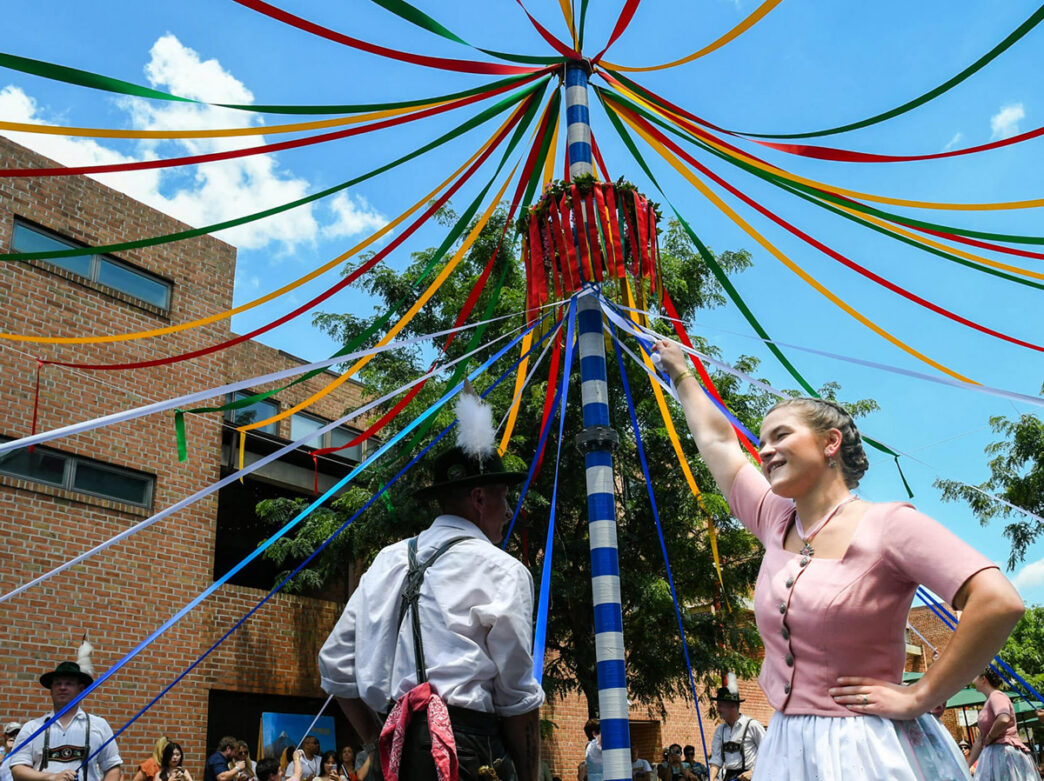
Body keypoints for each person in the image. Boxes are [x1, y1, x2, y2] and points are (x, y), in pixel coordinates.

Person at [653, 340, 1026, 781]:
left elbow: (999, 601)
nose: (765, 450)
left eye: (781, 435)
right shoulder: (774, 518)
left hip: (868, 747)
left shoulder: (889, 525)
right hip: (788, 747)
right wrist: (681, 374)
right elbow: (717, 439)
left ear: (831, 442)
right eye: (761, 441)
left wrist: (920, 695)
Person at [318, 391, 544, 781]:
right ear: (478, 498)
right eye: (503, 498)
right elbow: (516, 695)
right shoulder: (503, 569)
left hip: (395, 747)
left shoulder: (388, 559)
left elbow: (335, 665)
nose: (509, 512)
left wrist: (377, 740)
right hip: (465, 752)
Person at [7, 661, 122, 781]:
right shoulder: (32, 728)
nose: (62, 687)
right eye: (58, 683)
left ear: (81, 689)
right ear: (51, 689)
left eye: (69, 683)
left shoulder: (99, 725)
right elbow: (18, 769)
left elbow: (112, 767)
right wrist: (51, 777)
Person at [966, 668, 1041, 780]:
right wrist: (966, 766)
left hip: (1004, 754)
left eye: (975, 677)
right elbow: (980, 739)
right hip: (995, 755)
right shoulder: (989, 700)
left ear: (983, 679)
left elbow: (1003, 718)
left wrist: (990, 737)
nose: (972, 680)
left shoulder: (997, 696)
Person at [708, 689, 764, 781]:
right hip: (729, 777)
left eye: (720, 705)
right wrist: (711, 779)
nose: (717, 709)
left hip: (750, 777)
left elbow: (769, 752)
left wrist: (753, 772)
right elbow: (716, 759)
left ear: (732, 706)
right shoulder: (720, 730)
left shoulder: (752, 726)